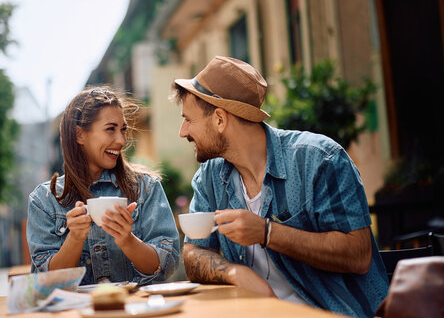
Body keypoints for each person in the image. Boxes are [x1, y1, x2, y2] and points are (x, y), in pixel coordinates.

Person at [170, 56, 388, 317]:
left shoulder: (319, 159)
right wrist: (236, 273)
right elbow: (194, 252)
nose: (183, 132)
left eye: (188, 120)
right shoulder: (210, 177)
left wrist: (267, 233)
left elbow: (359, 255)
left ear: (219, 119)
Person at [27, 87, 179, 285]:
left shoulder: (146, 187)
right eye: (110, 129)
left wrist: (128, 240)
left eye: (123, 129)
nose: (121, 140)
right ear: (79, 135)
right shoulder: (44, 200)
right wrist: (74, 239)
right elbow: (47, 281)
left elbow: (168, 264)